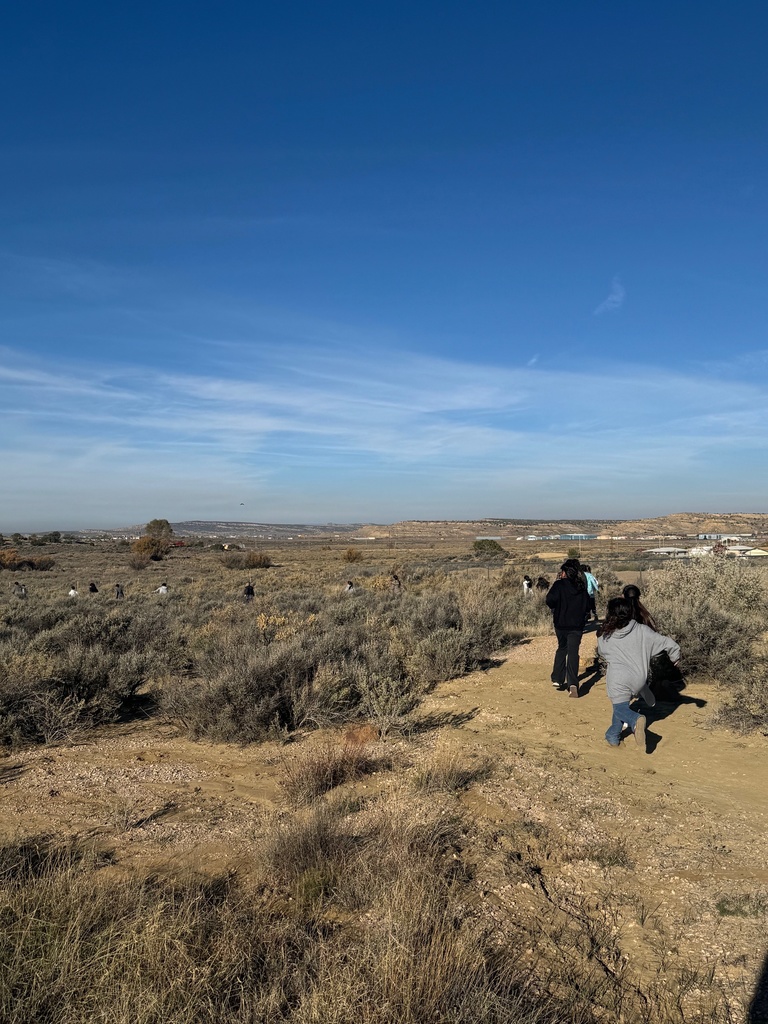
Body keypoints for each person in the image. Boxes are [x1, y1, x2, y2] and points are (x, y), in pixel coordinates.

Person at [597, 596, 680, 750]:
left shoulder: (606, 636)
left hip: (618, 679)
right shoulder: (642, 630)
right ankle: (613, 736)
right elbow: (666, 642)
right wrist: (675, 656)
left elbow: (602, 651)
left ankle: (635, 721)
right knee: (622, 707)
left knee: (620, 708)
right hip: (639, 679)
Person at [545, 559, 589, 698]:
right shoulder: (581, 587)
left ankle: (557, 678)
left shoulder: (559, 585)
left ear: (564, 572)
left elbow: (549, 600)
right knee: (573, 653)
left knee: (562, 648)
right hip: (576, 625)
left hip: (561, 623)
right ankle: (573, 684)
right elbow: (587, 605)